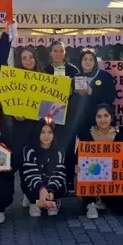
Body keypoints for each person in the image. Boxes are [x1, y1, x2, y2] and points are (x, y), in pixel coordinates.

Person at [77, 104, 123, 219]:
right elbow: (78, 157)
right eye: (99, 116)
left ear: (111, 117)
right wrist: (77, 167)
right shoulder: (87, 135)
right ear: (94, 118)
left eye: (106, 116)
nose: (103, 119)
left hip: (112, 179)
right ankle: (91, 203)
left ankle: (103, 199)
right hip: (92, 175)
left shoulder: (119, 136)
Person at [44, 41, 79, 193]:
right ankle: (49, 179)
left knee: (68, 149)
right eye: (55, 51)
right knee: (50, 148)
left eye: (61, 51)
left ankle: (69, 180)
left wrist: (73, 91)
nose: (58, 54)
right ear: (50, 53)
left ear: (65, 53)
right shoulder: (44, 70)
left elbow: (80, 93)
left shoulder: (73, 70)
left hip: (69, 116)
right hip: (49, 116)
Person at [14, 47, 46, 208]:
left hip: (39, 128)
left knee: (39, 162)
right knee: (24, 162)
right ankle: (27, 193)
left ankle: (38, 193)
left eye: (31, 57)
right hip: (21, 128)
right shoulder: (14, 79)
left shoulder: (45, 78)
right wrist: (15, 114)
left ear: (36, 59)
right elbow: (8, 103)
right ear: (20, 61)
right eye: (24, 58)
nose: (28, 60)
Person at [22, 118, 67, 217]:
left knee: (60, 187)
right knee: (29, 184)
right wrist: (41, 189)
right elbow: (31, 173)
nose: (46, 136)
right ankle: (33, 202)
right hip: (37, 184)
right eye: (42, 132)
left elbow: (58, 173)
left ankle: (53, 200)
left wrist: (51, 190)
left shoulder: (60, 150)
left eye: (50, 132)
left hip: (50, 183)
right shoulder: (29, 149)